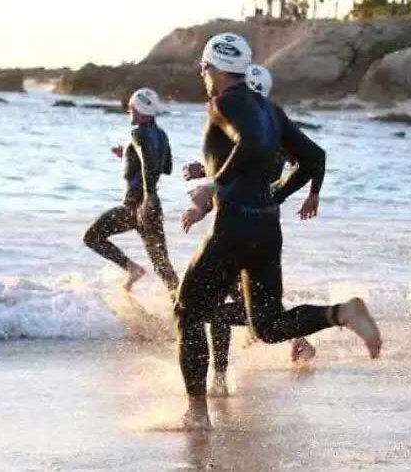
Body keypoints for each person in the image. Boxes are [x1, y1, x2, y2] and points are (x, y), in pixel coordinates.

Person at [175, 34, 381, 429]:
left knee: (188, 310)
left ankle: (197, 413)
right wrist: (276, 196)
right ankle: (341, 312)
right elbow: (313, 158)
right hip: (267, 228)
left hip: (233, 227)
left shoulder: (223, 103)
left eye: (203, 68)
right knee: (267, 326)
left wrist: (215, 185)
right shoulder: (270, 110)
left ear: (214, 68)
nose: (203, 75)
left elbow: (252, 144)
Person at [182, 64, 319, 396]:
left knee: (222, 306)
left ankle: (219, 378)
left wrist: (205, 199)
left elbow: (247, 174)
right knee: (244, 304)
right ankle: (295, 340)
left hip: (240, 228)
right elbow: (244, 168)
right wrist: (207, 175)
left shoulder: (260, 130)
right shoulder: (265, 125)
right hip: (253, 226)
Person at [83, 88, 178, 292]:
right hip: (152, 208)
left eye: (130, 108)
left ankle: (132, 269)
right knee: (162, 266)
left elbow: (150, 165)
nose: (129, 111)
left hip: (134, 207)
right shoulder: (161, 135)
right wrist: (129, 156)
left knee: (92, 237)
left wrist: (145, 200)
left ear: (137, 108)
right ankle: (182, 303)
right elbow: (167, 167)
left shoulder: (138, 133)